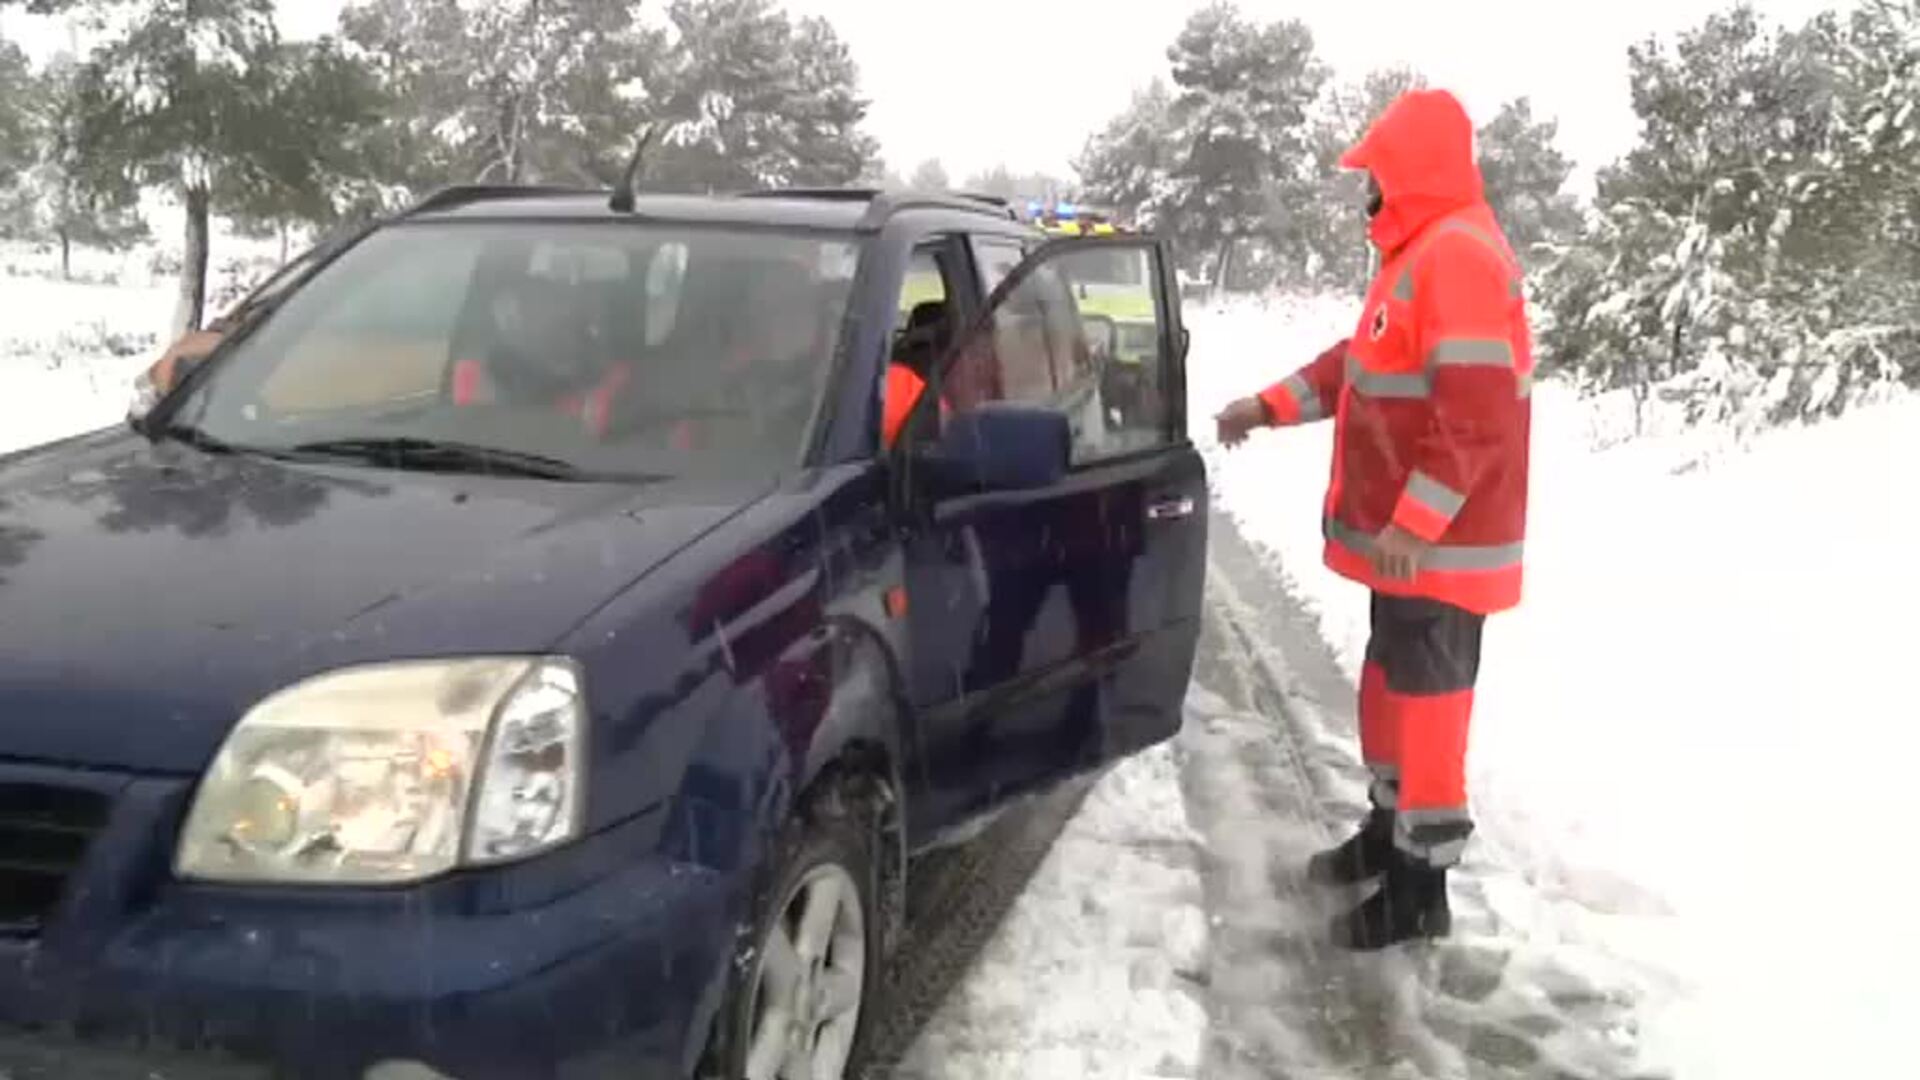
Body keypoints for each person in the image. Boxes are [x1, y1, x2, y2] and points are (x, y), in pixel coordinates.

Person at [1215, 88, 1534, 951]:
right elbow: (1358, 368)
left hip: (1442, 551)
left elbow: (1477, 417)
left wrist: (1413, 526)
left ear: (1414, 173)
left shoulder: (1459, 255)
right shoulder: (1417, 257)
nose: (1370, 192)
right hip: (1414, 553)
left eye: (1379, 175)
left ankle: (1417, 888)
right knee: (1391, 692)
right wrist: (1268, 406)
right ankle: (1387, 833)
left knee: (1429, 710)